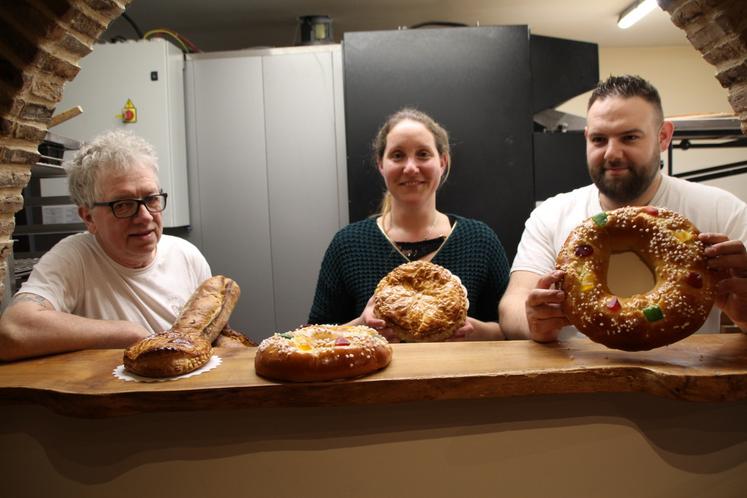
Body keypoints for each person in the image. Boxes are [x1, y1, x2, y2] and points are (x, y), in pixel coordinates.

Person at [499, 74, 747, 342]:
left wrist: (744, 316)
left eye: (629, 137)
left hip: (687, 378)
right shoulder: (551, 215)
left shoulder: (722, 210)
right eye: (599, 139)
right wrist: (532, 321)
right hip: (576, 378)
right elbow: (511, 307)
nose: (612, 153)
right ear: (586, 139)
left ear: (663, 137)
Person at [0, 130, 212, 360]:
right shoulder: (75, 257)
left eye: (151, 199)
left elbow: (216, 337)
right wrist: (127, 333)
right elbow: (12, 332)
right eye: (123, 205)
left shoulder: (186, 255)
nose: (145, 217)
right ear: (89, 218)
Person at [308, 108, 510, 341]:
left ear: (443, 162)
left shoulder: (480, 241)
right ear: (380, 164)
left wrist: (470, 330)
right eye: (397, 155)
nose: (411, 167)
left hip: (460, 378)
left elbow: (510, 333)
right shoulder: (348, 244)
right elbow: (313, 336)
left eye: (423, 154)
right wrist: (362, 326)